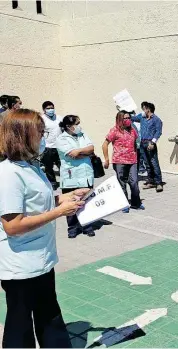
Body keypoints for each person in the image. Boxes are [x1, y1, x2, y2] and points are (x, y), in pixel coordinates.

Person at [0, 109, 87, 348]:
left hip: (42, 259)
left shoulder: (31, 166)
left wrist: (65, 197)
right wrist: (59, 212)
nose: (43, 138)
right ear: (22, 136)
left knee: (50, 316)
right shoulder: (9, 174)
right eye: (39, 133)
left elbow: (38, 204)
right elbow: (13, 225)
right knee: (20, 327)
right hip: (21, 266)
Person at [56, 115, 96, 238]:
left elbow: (91, 148)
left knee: (87, 201)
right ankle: (73, 227)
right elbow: (73, 154)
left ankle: (87, 225)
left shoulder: (82, 134)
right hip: (71, 176)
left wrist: (80, 151)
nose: (79, 126)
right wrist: (84, 153)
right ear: (68, 126)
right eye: (76, 123)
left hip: (86, 173)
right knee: (71, 202)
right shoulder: (61, 139)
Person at [102, 111, 144, 213]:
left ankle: (136, 202)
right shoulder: (114, 131)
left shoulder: (132, 130)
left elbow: (136, 143)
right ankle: (124, 203)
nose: (128, 120)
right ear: (120, 119)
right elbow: (105, 144)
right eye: (125, 118)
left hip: (132, 161)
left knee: (134, 182)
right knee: (122, 183)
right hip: (119, 161)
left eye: (129, 118)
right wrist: (106, 159)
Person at [131, 102, 163, 193]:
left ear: (148, 109)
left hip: (150, 143)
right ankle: (151, 181)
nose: (143, 111)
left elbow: (158, 132)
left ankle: (158, 182)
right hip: (142, 143)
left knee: (154, 163)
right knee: (147, 163)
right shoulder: (142, 118)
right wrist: (124, 111)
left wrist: (153, 142)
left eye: (144, 109)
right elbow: (132, 118)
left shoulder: (156, 120)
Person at [40, 101, 63, 189]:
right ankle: (52, 182)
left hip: (59, 146)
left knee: (62, 165)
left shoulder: (59, 118)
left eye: (52, 108)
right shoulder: (41, 119)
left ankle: (66, 181)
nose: (51, 110)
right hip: (47, 147)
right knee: (48, 166)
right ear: (44, 110)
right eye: (48, 108)